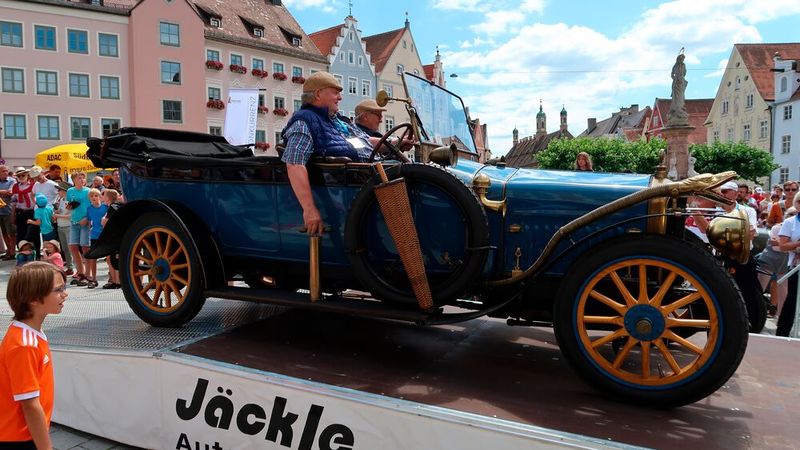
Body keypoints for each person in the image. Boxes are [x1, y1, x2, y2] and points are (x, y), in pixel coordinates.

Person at [281, 72, 380, 236]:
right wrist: (309, 210)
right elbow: (294, 163)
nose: (340, 97)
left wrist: (395, 141)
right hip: (353, 190)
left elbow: (366, 141)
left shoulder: (337, 120)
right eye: (335, 92)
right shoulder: (304, 121)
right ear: (318, 94)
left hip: (370, 182)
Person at [0, 261, 67, 449]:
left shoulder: (29, 334)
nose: (65, 293)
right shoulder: (24, 344)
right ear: (34, 299)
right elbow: (29, 404)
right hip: (17, 438)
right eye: (58, 290)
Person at [777, 193, 800, 337]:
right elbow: (783, 246)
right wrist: (798, 244)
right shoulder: (790, 222)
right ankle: (782, 334)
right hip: (795, 268)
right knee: (792, 301)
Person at [66, 172, 90, 287]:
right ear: (74, 180)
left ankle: (87, 274)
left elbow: (93, 206)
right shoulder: (70, 191)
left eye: (82, 178)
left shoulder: (88, 191)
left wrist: (88, 218)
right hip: (74, 221)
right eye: (79, 178)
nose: (81, 180)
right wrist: (69, 206)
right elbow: (68, 205)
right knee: (73, 247)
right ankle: (81, 272)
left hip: (85, 221)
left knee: (85, 247)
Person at [84, 189, 107, 289]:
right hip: (94, 235)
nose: (94, 198)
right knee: (93, 257)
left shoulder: (105, 207)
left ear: (100, 197)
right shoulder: (89, 209)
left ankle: (113, 278)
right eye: (92, 196)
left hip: (105, 235)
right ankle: (93, 279)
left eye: (96, 195)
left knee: (109, 258)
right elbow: (89, 221)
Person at [11, 168, 35, 256]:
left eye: (23, 175)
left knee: (31, 234)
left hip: (31, 212)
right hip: (20, 212)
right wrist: (13, 215)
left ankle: (32, 253)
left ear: (27, 175)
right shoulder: (15, 187)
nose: (21, 177)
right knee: (20, 233)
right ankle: (22, 253)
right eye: (19, 176)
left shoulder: (33, 185)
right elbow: (13, 202)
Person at [101, 189, 122, 289]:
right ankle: (114, 280)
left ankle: (117, 281)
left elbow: (106, 222)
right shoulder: (115, 206)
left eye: (103, 195)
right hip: (114, 234)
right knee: (110, 258)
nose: (102, 196)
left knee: (114, 258)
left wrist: (103, 221)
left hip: (114, 235)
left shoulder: (113, 207)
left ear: (108, 197)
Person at [52, 182, 74, 275]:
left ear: (65, 191)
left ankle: (71, 267)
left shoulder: (70, 201)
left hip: (68, 226)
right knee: (65, 248)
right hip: (61, 226)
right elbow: (62, 211)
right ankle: (69, 266)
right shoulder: (61, 200)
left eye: (60, 190)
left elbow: (70, 216)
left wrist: (57, 215)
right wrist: (57, 212)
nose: (58, 191)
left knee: (69, 248)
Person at [0, 165, 16, 259]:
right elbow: (6, 192)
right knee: (4, 233)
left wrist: (5, 192)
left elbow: (10, 192)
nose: (6, 172)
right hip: (0, 211)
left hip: (9, 210)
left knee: (11, 233)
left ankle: (13, 252)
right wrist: (3, 192)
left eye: (7, 170)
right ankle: (8, 251)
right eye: (3, 171)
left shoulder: (12, 181)